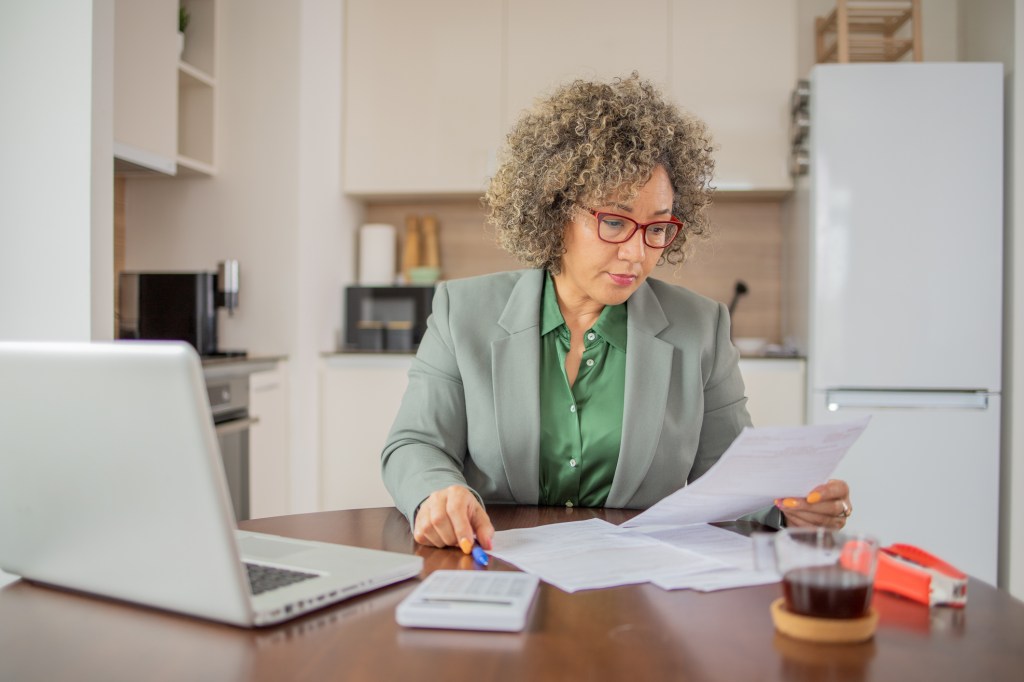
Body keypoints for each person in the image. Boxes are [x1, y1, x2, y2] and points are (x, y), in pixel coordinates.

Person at [381, 74, 852, 550]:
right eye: (613, 221)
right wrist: (438, 493)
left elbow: (732, 483)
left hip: (639, 589)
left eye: (657, 228)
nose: (636, 253)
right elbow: (415, 444)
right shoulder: (463, 312)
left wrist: (793, 508)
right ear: (555, 209)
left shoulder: (701, 330)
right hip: (497, 564)